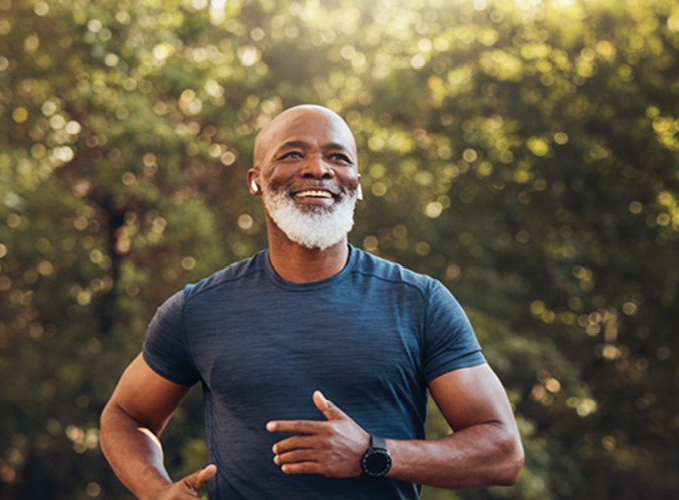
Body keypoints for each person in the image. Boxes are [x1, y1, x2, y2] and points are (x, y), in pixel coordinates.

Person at [99, 105, 524, 500]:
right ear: (256, 180)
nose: (318, 169)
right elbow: (125, 414)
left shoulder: (419, 302)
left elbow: (503, 452)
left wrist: (373, 454)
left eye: (338, 158)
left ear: (357, 182)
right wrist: (155, 491)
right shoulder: (199, 309)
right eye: (292, 155)